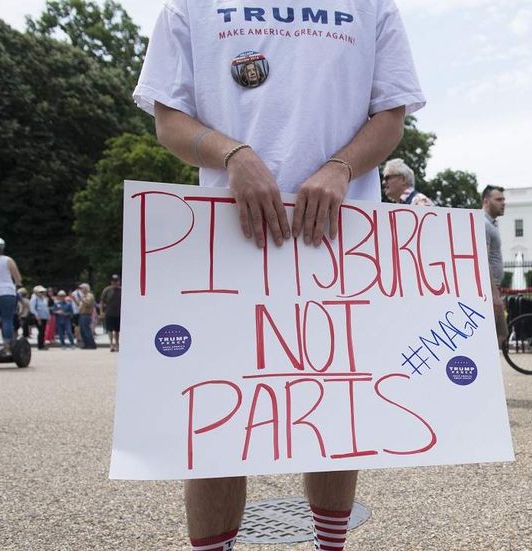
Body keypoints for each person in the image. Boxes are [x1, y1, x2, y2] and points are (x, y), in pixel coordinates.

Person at [135, 1, 425, 548]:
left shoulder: (370, 5)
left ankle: (330, 545)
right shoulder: (190, 5)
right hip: (224, 239)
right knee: (217, 419)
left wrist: (340, 168)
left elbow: (390, 114)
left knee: (333, 414)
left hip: (337, 237)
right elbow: (168, 117)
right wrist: (232, 155)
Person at [482, 185, 508, 347]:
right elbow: (484, 260)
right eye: (498, 199)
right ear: (486, 201)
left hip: (492, 289)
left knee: (496, 335)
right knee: (500, 334)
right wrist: (494, 294)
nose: (503, 203)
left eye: (503, 199)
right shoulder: (484, 225)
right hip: (489, 290)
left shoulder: (491, 224)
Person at [101, 274, 122, 352]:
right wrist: (101, 311)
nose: (115, 283)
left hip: (118, 313)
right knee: (110, 330)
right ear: (111, 282)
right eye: (114, 281)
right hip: (109, 312)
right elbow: (102, 301)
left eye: (117, 281)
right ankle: (111, 344)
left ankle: (117, 344)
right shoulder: (107, 290)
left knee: (117, 331)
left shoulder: (121, 290)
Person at [30, 286, 50, 351]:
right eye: (41, 292)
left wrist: (48, 316)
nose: (42, 293)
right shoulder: (34, 299)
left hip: (44, 317)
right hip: (38, 317)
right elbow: (32, 308)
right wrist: (37, 316)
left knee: (43, 331)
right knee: (41, 331)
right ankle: (40, 346)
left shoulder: (44, 299)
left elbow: (46, 308)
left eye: (43, 292)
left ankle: (42, 344)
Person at [77, 284, 97, 350]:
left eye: (82, 288)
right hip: (82, 314)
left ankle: (91, 344)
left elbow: (88, 303)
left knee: (86, 330)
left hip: (86, 315)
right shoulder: (84, 296)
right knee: (82, 330)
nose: (81, 290)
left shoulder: (89, 295)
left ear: (86, 288)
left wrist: (82, 299)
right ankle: (86, 344)